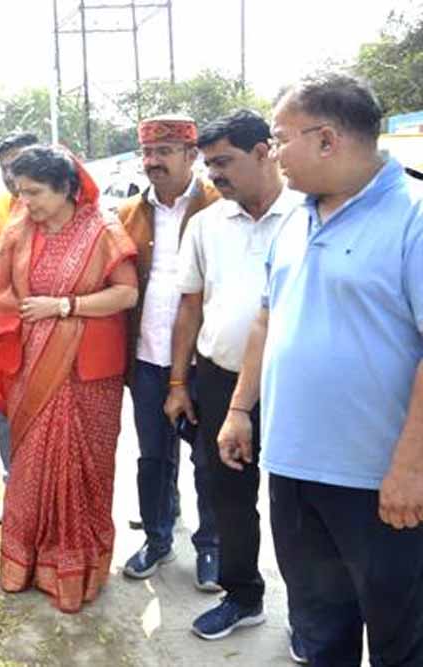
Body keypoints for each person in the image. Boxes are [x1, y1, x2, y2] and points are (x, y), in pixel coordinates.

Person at [218, 73, 423, 665]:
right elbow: (267, 320)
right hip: (293, 471)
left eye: (282, 138)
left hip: (380, 484)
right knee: (318, 633)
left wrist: (411, 468)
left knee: (401, 640)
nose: (275, 153)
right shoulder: (295, 220)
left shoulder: (413, 217)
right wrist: (239, 409)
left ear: (327, 139)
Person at [0, 145, 139, 613]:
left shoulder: (103, 229)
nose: (26, 202)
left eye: (36, 192)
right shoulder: (19, 231)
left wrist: (64, 306)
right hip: (34, 368)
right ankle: (27, 565)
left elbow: (126, 293)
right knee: (30, 470)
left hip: (89, 374)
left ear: (65, 187)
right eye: (21, 192)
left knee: (86, 474)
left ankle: (78, 570)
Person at [163, 110, 304, 643]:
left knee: (299, 506)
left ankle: (310, 619)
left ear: (264, 151)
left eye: (224, 161)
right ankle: (242, 596)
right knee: (228, 494)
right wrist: (179, 384)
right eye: (209, 164)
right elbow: (189, 308)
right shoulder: (206, 224)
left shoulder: (308, 214)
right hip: (220, 380)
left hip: (292, 386)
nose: (214, 174)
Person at [118, 115, 222, 588]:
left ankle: (211, 546)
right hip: (146, 355)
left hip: (205, 360)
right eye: (147, 152)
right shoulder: (129, 213)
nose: (153, 161)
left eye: (164, 152)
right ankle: (158, 539)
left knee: (208, 459)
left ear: (190, 155)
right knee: (153, 456)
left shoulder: (218, 207)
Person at [0, 131, 38, 523]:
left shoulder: (66, 205)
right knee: (5, 410)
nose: (12, 175)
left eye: (19, 164)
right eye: (5, 168)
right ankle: (14, 488)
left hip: (51, 325)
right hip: (4, 331)